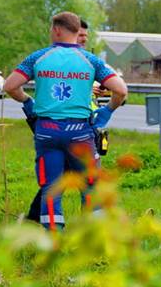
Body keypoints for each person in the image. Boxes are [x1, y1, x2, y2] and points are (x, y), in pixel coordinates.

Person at [3, 12, 127, 231]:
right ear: (77, 31)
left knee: (51, 188)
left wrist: (28, 102)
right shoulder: (91, 60)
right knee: (91, 185)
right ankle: (91, 239)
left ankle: (53, 243)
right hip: (80, 132)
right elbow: (121, 90)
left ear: (57, 29)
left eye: (51, 29)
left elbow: (10, 86)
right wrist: (107, 111)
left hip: (46, 132)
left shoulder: (38, 57)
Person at [25, 19, 109, 222]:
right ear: (70, 32)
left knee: (61, 178)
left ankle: (39, 221)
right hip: (67, 127)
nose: (83, 40)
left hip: (84, 128)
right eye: (80, 35)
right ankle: (36, 219)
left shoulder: (87, 60)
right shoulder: (58, 58)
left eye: (86, 37)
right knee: (66, 178)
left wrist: (94, 94)